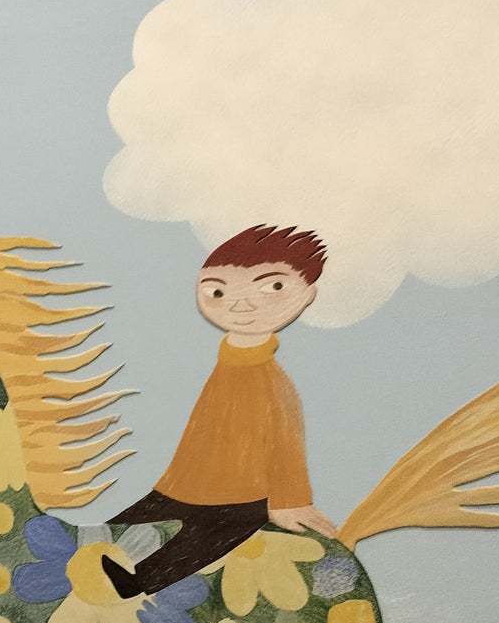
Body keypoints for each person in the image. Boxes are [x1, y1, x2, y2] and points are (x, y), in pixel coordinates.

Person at [104, 225, 338, 599]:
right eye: (217, 291)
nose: (240, 304)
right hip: (187, 485)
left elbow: (285, 441)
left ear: (307, 294)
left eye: (273, 286)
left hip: (243, 496)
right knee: (119, 530)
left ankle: (135, 584)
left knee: (196, 544)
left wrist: (289, 502)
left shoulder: (272, 381)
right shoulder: (229, 365)